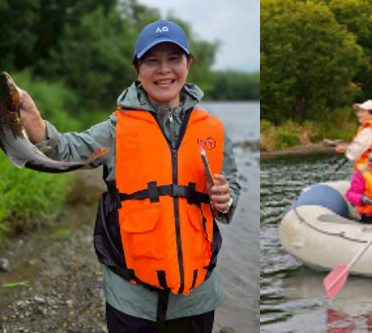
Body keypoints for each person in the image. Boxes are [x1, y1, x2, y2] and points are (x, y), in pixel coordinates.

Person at [13, 20, 239, 333]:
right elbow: (65, 150)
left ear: (189, 64)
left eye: (174, 59)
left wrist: (226, 198)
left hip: (196, 295)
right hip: (131, 295)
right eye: (152, 61)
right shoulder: (116, 129)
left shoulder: (213, 130)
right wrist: (33, 121)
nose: (164, 70)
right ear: (136, 69)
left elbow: (232, 189)